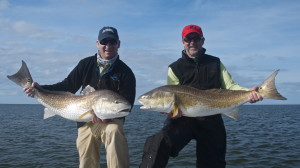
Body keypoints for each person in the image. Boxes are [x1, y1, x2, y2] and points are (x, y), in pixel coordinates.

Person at [140, 24, 262, 168]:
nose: (192, 42)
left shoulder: (215, 62)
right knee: (158, 143)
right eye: (188, 39)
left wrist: (249, 92)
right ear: (183, 42)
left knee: (213, 163)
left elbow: (230, 86)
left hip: (212, 119)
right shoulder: (174, 67)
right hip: (183, 120)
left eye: (196, 38)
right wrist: (171, 112)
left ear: (202, 40)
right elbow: (171, 96)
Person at [24, 26, 136, 168]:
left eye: (112, 42)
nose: (108, 46)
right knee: (86, 147)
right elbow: (67, 86)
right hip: (85, 120)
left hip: (112, 120)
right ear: (97, 44)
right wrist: (40, 89)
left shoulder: (126, 72)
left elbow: (127, 104)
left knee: (114, 132)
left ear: (118, 44)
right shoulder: (85, 64)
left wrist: (108, 116)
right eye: (104, 42)